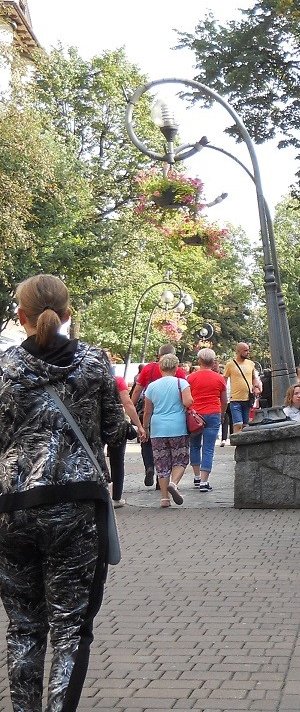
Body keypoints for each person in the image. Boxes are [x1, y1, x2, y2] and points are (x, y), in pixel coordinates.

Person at [0, 274, 127, 712]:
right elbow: (114, 429)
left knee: (23, 627)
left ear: (22, 316)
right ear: (68, 314)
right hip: (76, 507)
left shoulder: (5, 369)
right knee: (70, 628)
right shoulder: (93, 364)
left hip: (12, 509)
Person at [131, 344, 187, 488]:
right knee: (171, 452)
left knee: (148, 442)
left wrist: (130, 407)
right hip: (174, 417)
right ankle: (161, 482)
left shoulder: (148, 368)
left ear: (158, 354)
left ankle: (149, 466)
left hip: (150, 410)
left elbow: (137, 390)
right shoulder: (178, 372)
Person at [142, 353, 193, 507]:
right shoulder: (181, 383)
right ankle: (174, 483)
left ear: (160, 367)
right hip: (177, 427)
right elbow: (188, 401)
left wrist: (145, 428)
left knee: (161, 462)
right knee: (180, 458)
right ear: (176, 367)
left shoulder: (152, 386)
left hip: (158, 428)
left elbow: (147, 411)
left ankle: (164, 498)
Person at [187, 348, 227, 492]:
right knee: (209, 448)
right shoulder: (219, 378)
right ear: (213, 362)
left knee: (195, 445)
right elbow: (224, 400)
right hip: (213, 413)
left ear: (199, 361)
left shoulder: (191, 378)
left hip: (195, 415)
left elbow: (186, 398)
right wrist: (222, 414)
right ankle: (204, 482)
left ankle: (197, 476)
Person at [108, 363, 147, 508]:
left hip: (95, 424)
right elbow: (128, 403)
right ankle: (116, 498)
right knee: (117, 462)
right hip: (116, 424)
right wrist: (140, 426)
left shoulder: (90, 379)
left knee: (94, 459)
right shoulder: (117, 380)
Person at [224, 342, 261, 434]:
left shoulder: (251, 364)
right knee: (238, 424)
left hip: (248, 399)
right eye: (245, 350)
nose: (248, 352)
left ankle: (244, 445)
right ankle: (237, 443)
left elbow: (254, 377)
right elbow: (224, 380)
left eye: (248, 350)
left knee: (246, 425)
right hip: (235, 400)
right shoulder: (230, 365)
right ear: (238, 351)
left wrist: (256, 387)